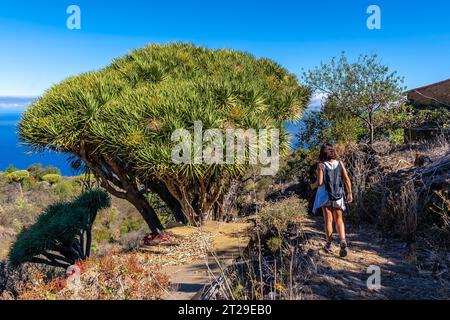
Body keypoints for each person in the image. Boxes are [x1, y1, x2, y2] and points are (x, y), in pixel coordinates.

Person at [311, 144, 353, 257]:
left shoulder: (321, 165)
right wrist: (349, 193)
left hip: (325, 196)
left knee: (328, 220)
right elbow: (346, 178)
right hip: (338, 196)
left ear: (322, 153)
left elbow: (320, 182)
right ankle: (343, 240)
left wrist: (312, 186)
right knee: (339, 219)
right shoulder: (340, 163)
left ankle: (329, 244)